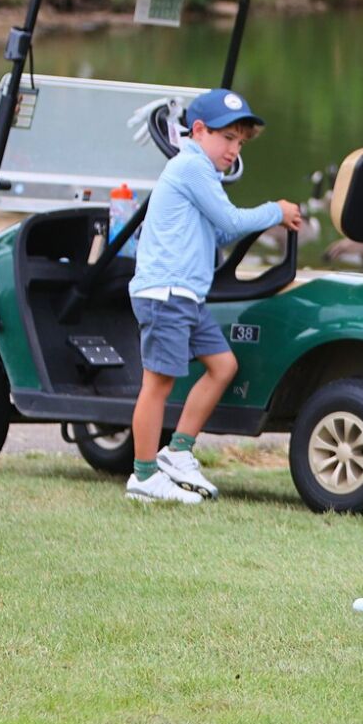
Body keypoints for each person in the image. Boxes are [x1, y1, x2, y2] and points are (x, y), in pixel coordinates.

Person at [124, 88, 303, 504]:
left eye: (239, 142)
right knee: (158, 384)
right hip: (166, 293)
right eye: (227, 138)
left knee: (223, 366)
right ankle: (144, 477)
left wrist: (261, 221)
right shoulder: (190, 167)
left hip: (187, 296)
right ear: (200, 130)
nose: (233, 149)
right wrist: (275, 211)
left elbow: (220, 231)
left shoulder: (204, 174)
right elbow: (229, 218)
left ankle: (179, 451)